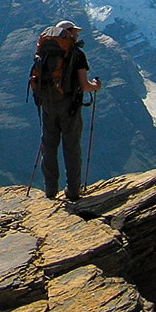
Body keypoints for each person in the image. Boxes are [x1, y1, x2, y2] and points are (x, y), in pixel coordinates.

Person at [39, 20, 101, 201]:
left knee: (49, 145)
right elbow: (84, 85)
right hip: (69, 106)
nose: (77, 35)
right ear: (69, 33)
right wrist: (96, 86)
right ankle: (73, 191)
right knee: (71, 146)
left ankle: (50, 191)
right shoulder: (77, 54)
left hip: (48, 103)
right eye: (75, 32)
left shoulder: (45, 52)